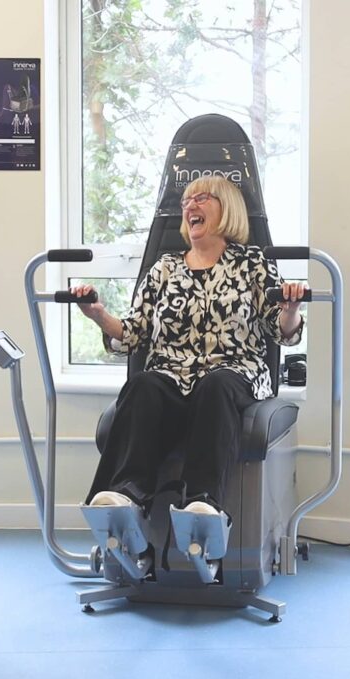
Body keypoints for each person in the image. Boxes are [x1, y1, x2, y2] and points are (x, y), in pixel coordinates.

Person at [71, 176, 307, 519]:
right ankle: (125, 495)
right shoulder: (165, 269)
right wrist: (97, 314)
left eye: (201, 199)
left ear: (227, 209)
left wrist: (290, 309)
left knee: (216, 384)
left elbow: (281, 331)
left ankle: (204, 501)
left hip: (235, 373)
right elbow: (132, 333)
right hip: (172, 374)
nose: (189, 206)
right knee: (143, 385)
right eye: (186, 201)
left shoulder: (252, 264)